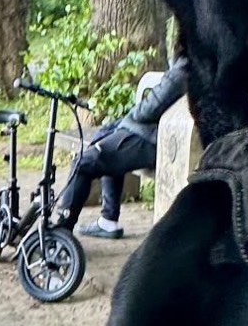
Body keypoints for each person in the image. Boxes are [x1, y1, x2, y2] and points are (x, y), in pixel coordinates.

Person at [54, 53, 189, 238]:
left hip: (158, 139)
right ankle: (108, 220)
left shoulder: (185, 67)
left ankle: (59, 234)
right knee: (105, 138)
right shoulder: (205, 62)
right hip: (164, 134)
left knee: (84, 162)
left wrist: (128, 119)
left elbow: (148, 110)